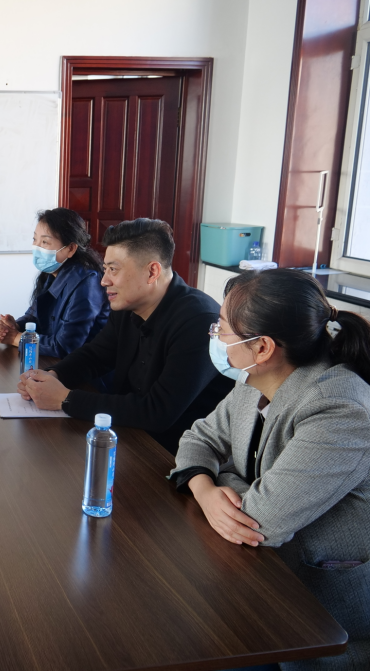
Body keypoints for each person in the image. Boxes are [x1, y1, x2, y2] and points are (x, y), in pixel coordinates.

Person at [170, 269, 370, 670]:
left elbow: (261, 521)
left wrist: (224, 481)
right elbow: (197, 438)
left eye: (221, 328)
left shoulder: (339, 408)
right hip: (256, 578)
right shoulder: (255, 380)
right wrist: (206, 490)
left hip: (317, 616)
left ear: (262, 347)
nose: (215, 337)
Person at [17, 218, 233, 454]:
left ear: (152, 272)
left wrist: (65, 399)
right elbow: (95, 356)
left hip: (174, 454)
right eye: (105, 269)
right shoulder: (128, 305)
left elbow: (158, 412)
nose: (104, 280)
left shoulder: (198, 321)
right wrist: (52, 376)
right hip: (128, 434)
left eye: (113, 269)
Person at [0, 208, 109, 358]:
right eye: (35, 240)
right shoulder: (52, 273)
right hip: (54, 363)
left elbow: (65, 346)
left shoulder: (87, 283)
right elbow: (34, 316)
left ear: (71, 248)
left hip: (86, 369)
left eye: (45, 242)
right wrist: (15, 326)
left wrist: (15, 338)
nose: (37, 247)